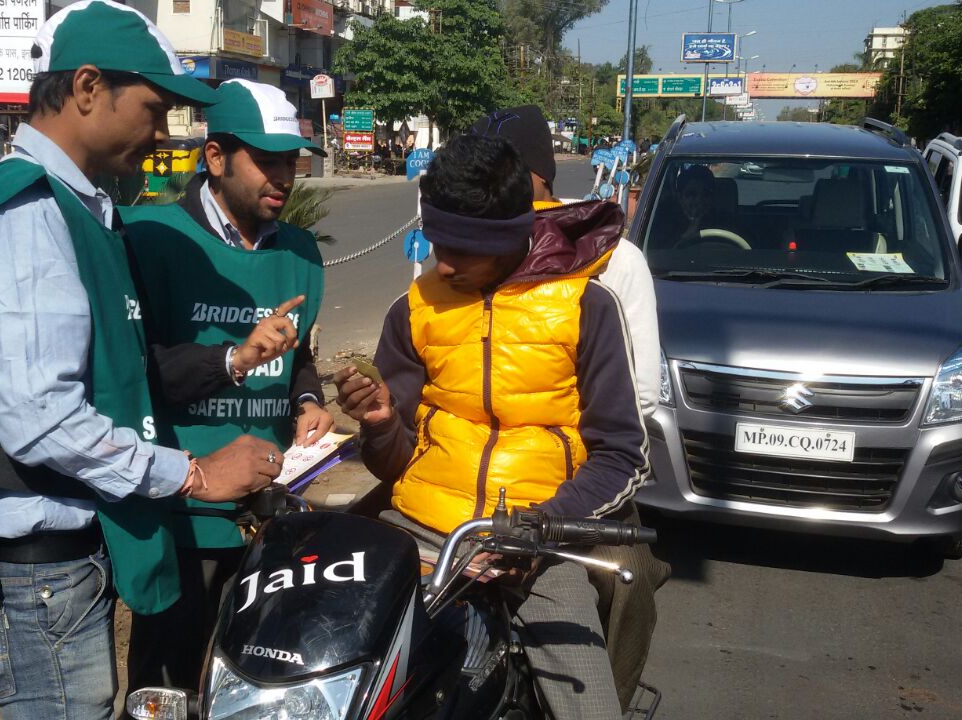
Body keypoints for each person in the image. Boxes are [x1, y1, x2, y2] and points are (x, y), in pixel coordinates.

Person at [0, 3, 280, 718]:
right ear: (88, 87)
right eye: (154, 109)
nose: (163, 134)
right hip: (41, 573)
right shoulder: (31, 215)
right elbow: (42, 420)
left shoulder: (80, 208)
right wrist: (194, 473)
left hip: (68, 557)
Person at [335, 134, 648, 720]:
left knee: (590, 706)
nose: (443, 263)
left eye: (462, 249)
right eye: (437, 242)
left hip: (538, 547)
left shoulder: (586, 307)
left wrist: (540, 527)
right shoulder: (414, 309)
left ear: (508, 238)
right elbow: (395, 461)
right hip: (419, 532)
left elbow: (622, 455)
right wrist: (378, 422)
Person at [120, 78, 331, 693]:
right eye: (266, 160)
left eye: (291, 161)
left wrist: (307, 400)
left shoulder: (300, 252)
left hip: (271, 517)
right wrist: (233, 359)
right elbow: (131, 375)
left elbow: (298, 355)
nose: (283, 177)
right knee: (167, 687)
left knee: (259, 682)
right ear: (215, 157)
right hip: (183, 511)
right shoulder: (150, 239)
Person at [470, 105, 669, 712]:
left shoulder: (613, 260)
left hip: (582, 479)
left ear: (540, 176)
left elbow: (641, 395)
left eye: (506, 175)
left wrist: (558, 456)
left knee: (626, 574)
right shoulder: (472, 250)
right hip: (476, 474)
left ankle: (611, 694)